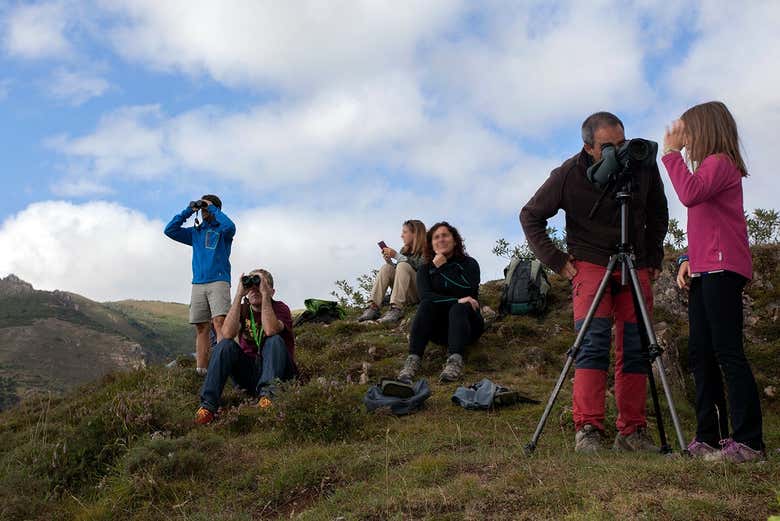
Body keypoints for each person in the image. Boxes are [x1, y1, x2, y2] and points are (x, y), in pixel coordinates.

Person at [520, 112, 669, 453]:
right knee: (592, 343)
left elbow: (659, 212)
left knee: (635, 346)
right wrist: (557, 261)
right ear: (588, 147)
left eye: (622, 143)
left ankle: (632, 431)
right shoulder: (569, 174)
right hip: (589, 263)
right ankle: (587, 428)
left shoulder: (642, 161)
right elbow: (530, 215)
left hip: (637, 262)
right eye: (608, 147)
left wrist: (653, 256)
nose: (620, 152)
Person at [663, 101, 764, 462]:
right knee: (701, 354)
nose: (683, 138)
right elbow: (707, 223)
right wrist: (688, 258)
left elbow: (689, 194)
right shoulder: (710, 168)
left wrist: (671, 154)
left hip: (723, 270)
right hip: (706, 268)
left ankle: (750, 442)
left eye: (688, 131)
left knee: (727, 352)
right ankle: (710, 438)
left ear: (704, 129)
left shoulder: (720, 162)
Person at [195, 268, 296, 424]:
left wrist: (265, 295)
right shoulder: (243, 309)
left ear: (272, 291)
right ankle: (207, 407)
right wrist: (239, 295)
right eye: (252, 285)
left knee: (274, 340)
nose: (255, 289)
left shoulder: (280, 308)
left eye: (260, 284)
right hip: (250, 373)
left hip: (279, 372)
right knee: (225, 345)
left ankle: (267, 399)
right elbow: (227, 334)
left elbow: (270, 330)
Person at [397, 222, 484, 383]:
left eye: (445, 235)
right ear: (431, 244)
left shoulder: (469, 264)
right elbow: (426, 296)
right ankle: (413, 361)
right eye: (436, 237)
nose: (441, 239)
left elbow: (468, 291)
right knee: (427, 305)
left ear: (455, 240)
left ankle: (455, 361)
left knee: (459, 307)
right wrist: (456, 299)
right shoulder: (425, 269)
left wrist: (443, 267)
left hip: (468, 326)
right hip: (438, 331)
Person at [164, 195, 235, 376]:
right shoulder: (196, 232)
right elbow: (170, 230)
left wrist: (212, 208)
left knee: (220, 322)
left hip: (219, 280)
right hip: (198, 283)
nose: (204, 212)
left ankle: (223, 365)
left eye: (206, 209)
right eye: (202, 209)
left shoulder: (223, 230)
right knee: (201, 327)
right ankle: (201, 371)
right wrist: (189, 210)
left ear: (216, 210)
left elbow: (231, 227)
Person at [358, 220, 427, 324]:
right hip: (406, 294)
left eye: (405, 232)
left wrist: (397, 256)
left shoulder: (428, 249)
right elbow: (400, 273)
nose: (401, 236)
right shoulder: (404, 250)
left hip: (419, 292)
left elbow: (420, 267)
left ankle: (396, 309)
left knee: (403, 265)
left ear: (415, 234)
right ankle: (373, 307)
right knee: (387, 268)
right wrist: (390, 262)